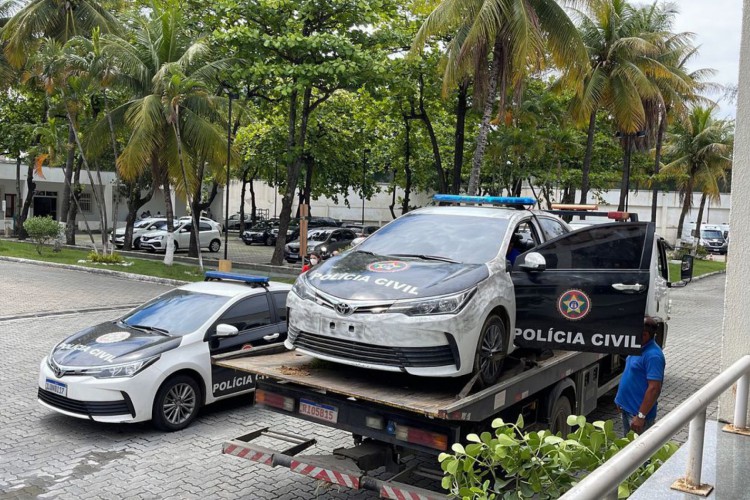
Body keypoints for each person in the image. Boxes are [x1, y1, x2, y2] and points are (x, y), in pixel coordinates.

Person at [615, 316, 665, 436]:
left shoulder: (653, 356)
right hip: (628, 410)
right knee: (627, 448)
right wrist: (620, 400)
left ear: (645, 334)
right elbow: (630, 373)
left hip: (637, 416)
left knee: (638, 452)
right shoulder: (639, 347)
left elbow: (654, 389)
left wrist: (641, 416)